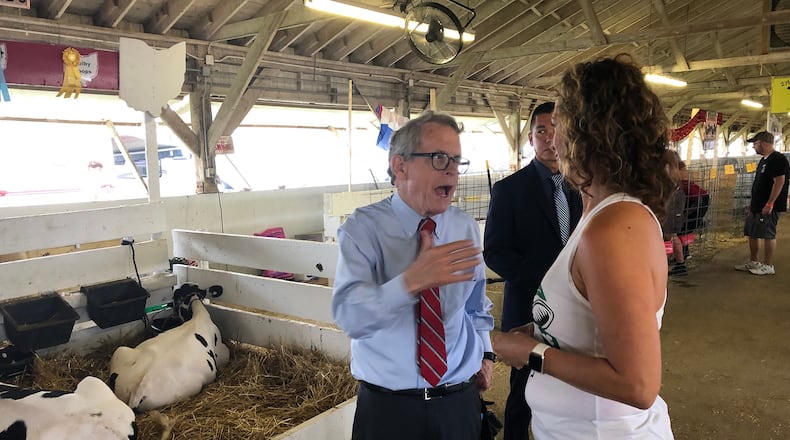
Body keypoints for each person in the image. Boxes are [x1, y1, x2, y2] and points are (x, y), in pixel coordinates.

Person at [492, 54, 675, 439]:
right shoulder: (601, 213)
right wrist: (539, 332)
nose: (553, 139)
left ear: (589, 134)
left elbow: (638, 386)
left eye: (560, 125)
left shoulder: (612, 229)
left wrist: (532, 354)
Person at [332, 111, 495, 440]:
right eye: (438, 158)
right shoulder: (363, 229)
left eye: (456, 160)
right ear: (400, 166)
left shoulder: (464, 227)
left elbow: (476, 302)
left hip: (458, 402)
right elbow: (350, 317)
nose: (451, 168)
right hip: (389, 410)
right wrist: (411, 281)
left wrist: (486, 352)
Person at [483, 101, 582, 440]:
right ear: (530, 138)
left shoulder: (583, 187)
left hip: (578, 303)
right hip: (528, 302)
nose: (550, 139)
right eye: (542, 131)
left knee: (572, 377)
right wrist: (543, 281)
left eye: (557, 130)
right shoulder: (510, 190)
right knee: (524, 384)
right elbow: (494, 251)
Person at [734, 131, 790, 276]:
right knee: (753, 232)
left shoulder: (778, 159)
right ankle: (754, 261)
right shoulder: (764, 160)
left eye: (755, 143)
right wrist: (753, 203)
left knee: (767, 234)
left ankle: (768, 265)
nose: (753, 146)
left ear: (764, 143)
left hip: (770, 206)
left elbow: (780, 182)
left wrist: (770, 203)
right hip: (757, 204)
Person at [678, 160, 709, 260]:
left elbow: (699, 200)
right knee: (683, 229)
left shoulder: (685, 185)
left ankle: (684, 254)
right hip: (695, 202)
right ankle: (684, 253)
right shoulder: (681, 184)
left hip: (700, 202)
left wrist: (687, 214)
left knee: (684, 228)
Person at [663, 152, 688, 277]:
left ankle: (677, 264)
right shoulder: (676, 176)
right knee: (672, 237)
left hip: (671, 212)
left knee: (670, 237)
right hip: (675, 211)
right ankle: (679, 263)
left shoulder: (671, 176)